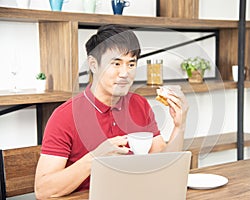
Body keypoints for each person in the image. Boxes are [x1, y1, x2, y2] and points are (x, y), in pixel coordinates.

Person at [34, 24, 189, 199]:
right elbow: (43, 190)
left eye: (131, 64)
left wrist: (179, 126)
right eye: (116, 63)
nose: (125, 73)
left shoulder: (140, 104)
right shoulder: (65, 116)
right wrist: (95, 158)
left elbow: (163, 165)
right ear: (93, 64)